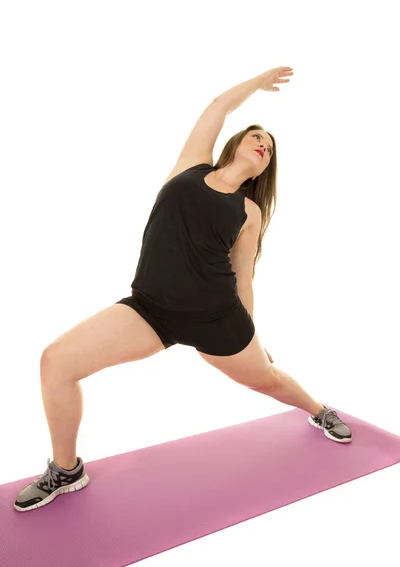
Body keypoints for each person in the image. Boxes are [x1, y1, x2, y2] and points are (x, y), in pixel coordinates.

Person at [14, 66, 352, 513]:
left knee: (267, 380)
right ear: (236, 143)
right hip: (149, 310)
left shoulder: (249, 212)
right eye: (256, 136)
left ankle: (318, 408)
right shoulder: (192, 165)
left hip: (216, 317)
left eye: (269, 148)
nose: (262, 145)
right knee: (56, 361)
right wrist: (258, 83)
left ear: (265, 166)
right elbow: (218, 106)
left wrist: (253, 337)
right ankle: (67, 468)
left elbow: (243, 276)